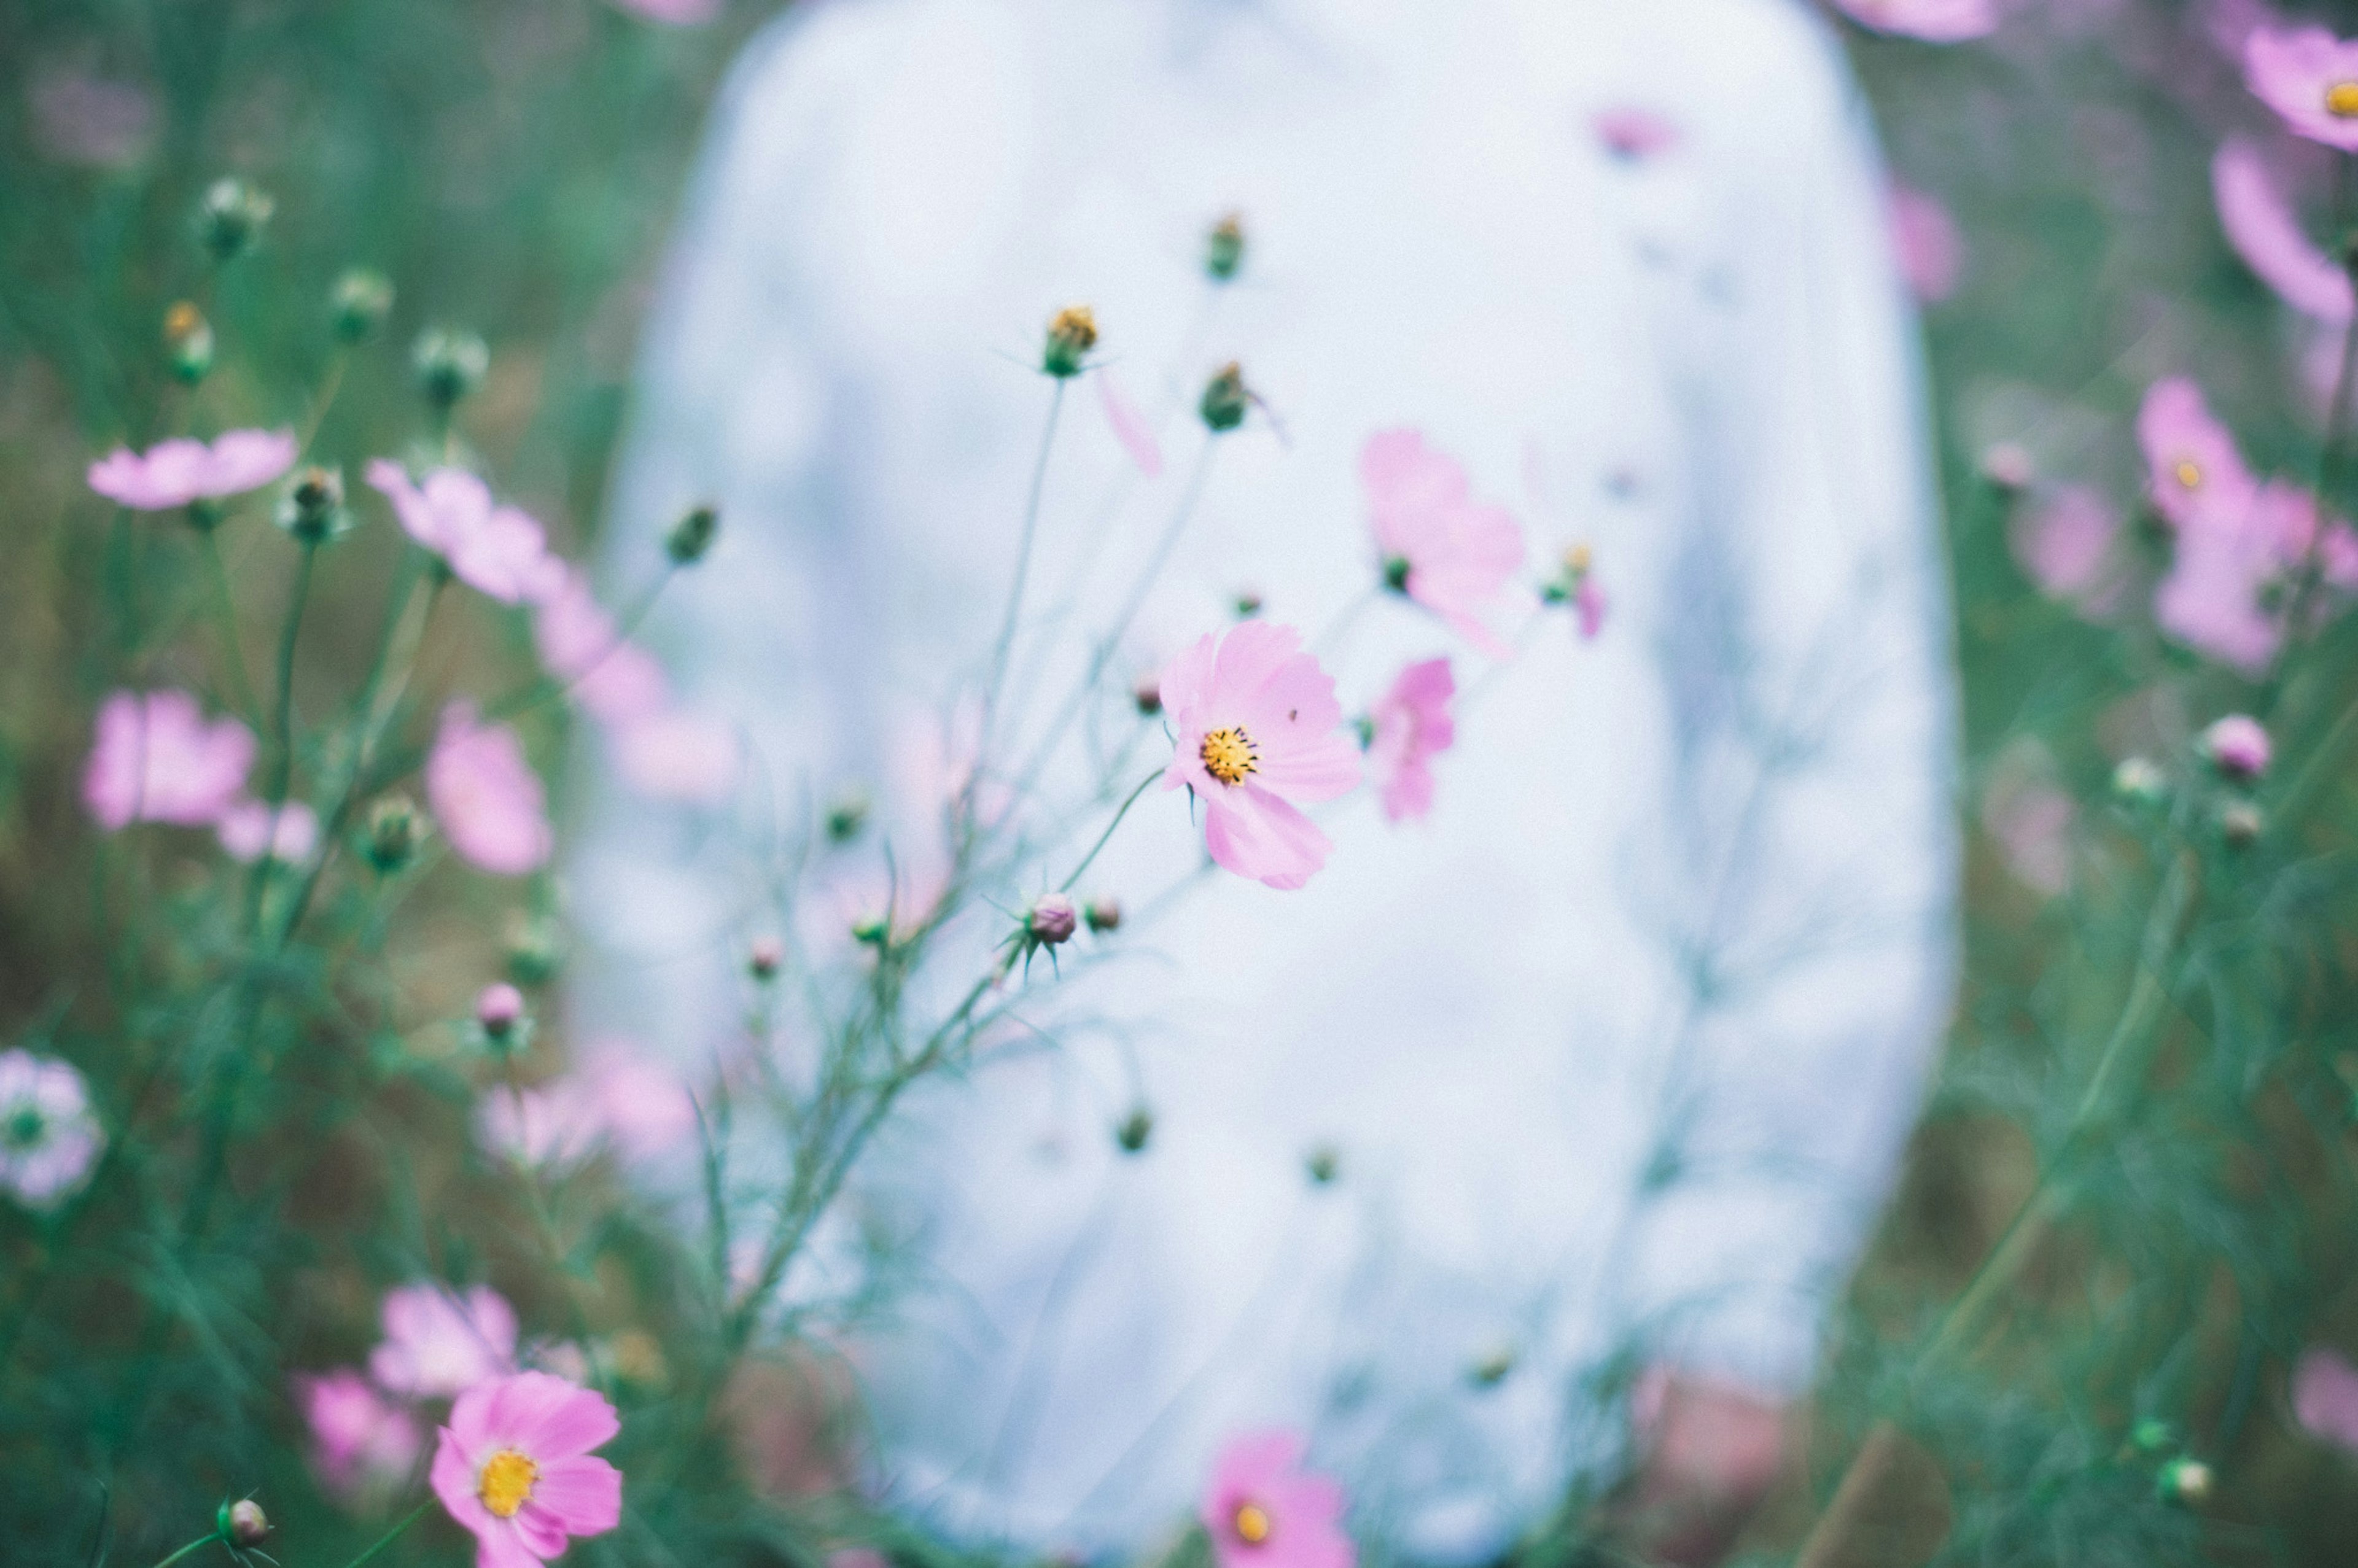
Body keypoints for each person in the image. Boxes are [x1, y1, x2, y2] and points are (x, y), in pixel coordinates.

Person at [574, 0, 1959, 1562]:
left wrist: (1743, 1276)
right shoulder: (860, 90)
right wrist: (755, 1254)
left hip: (1500, 1385)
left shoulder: (1704, 79)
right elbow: (705, 713)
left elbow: (1831, 692)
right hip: (947, 1380)